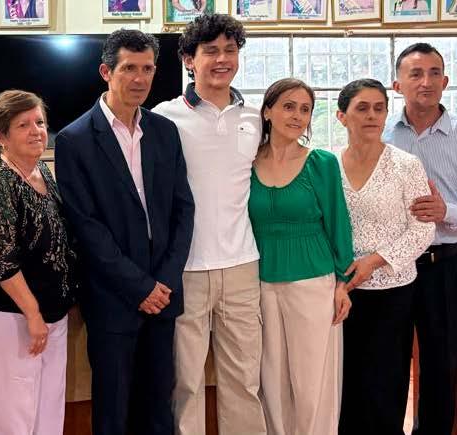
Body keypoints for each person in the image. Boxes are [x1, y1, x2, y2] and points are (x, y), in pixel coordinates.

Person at [54, 29, 195, 435]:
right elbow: (86, 227)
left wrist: (164, 280)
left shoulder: (164, 131)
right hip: (113, 299)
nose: (140, 78)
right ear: (106, 72)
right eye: (129, 68)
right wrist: (140, 287)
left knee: (158, 409)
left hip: (163, 295)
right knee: (114, 412)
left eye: (147, 69)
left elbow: (183, 209)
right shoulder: (75, 140)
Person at [150, 13, 265, 435]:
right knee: (186, 382)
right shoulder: (162, 117)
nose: (222, 59)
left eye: (230, 51)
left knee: (244, 379)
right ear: (188, 60)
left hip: (242, 266)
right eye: (211, 51)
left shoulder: (255, 118)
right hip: (186, 269)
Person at [384, 42, 457, 435]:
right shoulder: (382, 135)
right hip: (391, 266)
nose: (426, 81)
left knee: (441, 364)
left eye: (435, 73)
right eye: (416, 74)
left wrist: (446, 211)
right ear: (397, 85)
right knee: (388, 362)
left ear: (446, 81)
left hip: (446, 264)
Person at [0, 90, 79, 435]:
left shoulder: (41, 170)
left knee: (48, 414)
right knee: (13, 419)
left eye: (40, 122)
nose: (36, 131)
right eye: (23, 125)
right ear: (0, 136)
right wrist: (33, 314)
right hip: (10, 317)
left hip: (49, 316)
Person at [248, 77, 354, 435]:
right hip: (260, 283)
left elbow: (339, 223)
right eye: (289, 107)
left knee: (312, 384)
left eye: (305, 110)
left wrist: (342, 283)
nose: (297, 116)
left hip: (313, 281)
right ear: (267, 112)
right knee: (271, 381)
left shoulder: (321, 163)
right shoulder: (246, 162)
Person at [332, 79, 435, 435]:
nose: (372, 115)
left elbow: (422, 230)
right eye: (362, 108)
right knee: (344, 385)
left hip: (393, 291)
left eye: (379, 108)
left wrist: (374, 261)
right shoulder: (326, 164)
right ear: (342, 116)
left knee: (384, 384)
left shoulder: (406, 165)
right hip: (340, 291)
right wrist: (340, 277)